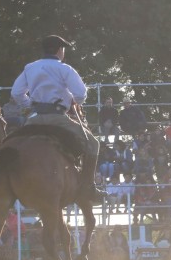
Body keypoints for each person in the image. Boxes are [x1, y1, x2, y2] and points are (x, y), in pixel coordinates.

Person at [11, 35, 104, 201]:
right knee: (93, 143)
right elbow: (81, 95)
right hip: (58, 117)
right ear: (60, 50)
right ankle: (88, 187)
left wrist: (30, 104)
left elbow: (16, 93)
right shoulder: (65, 69)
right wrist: (72, 101)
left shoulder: (30, 68)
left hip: (35, 118)